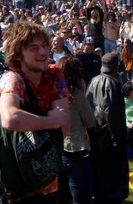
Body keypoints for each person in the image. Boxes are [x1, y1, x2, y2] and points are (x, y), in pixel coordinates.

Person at [0, 21, 70, 203]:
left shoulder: (54, 74)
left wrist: (33, 122)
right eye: (34, 48)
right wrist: (50, 122)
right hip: (16, 190)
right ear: (18, 55)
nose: (43, 52)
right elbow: (11, 119)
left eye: (44, 45)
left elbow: (64, 124)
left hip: (47, 184)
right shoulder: (12, 79)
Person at [87, 52, 129, 204]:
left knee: (100, 169)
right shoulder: (111, 82)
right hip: (109, 135)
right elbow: (110, 111)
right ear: (115, 65)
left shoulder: (93, 80)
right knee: (111, 171)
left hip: (96, 133)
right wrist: (116, 137)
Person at [56, 55, 95, 204]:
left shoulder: (53, 92)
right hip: (76, 150)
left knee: (61, 196)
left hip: (57, 148)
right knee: (81, 197)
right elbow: (90, 122)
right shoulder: (76, 94)